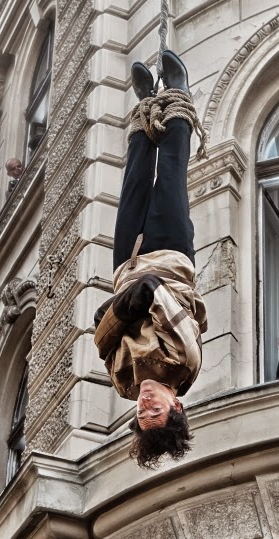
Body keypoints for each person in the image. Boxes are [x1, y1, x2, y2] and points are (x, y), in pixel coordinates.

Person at [93, 50, 209, 469]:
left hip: (126, 263)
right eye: (154, 412)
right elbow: (153, 295)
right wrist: (120, 315)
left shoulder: (124, 380)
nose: (144, 406)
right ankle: (177, 96)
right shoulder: (183, 362)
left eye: (142, 416)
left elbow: (98, 331)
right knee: (171, 177)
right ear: (176, 407)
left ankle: (144, 107)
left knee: (135, 183)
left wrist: (116, 315)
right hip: (170, 254)